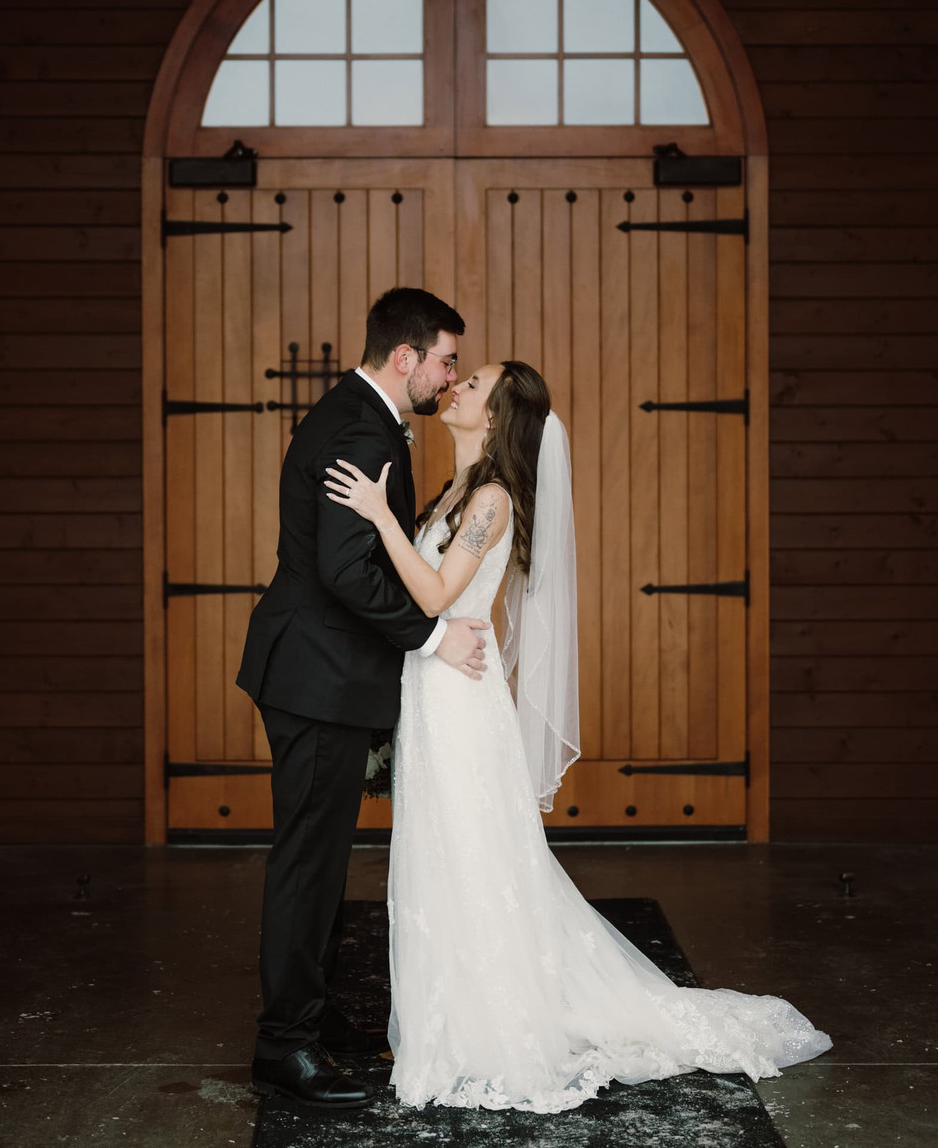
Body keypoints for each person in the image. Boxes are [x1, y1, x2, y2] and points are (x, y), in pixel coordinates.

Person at [325, 358, 832, 1114]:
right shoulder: (457, 490)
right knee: (440, 852)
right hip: (432, 688)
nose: (456, 387)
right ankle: (449, 1017)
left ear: (496, 417)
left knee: (470, 853)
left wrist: (377, 514)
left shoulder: (492, 498)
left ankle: (484, 1026)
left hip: (461, 703)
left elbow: (432, 594)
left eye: (474, 385)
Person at [237, 288, 491, 1111]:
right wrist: (432, 636)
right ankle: (284, 1045)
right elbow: (346, 570)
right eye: (445, 360)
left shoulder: (360, 416)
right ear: (405, 356)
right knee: (308, 862)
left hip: (320, 672)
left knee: (320, 857)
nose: (449, 376)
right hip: (317, 677)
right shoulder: (360, 428)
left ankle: (308, 1015)